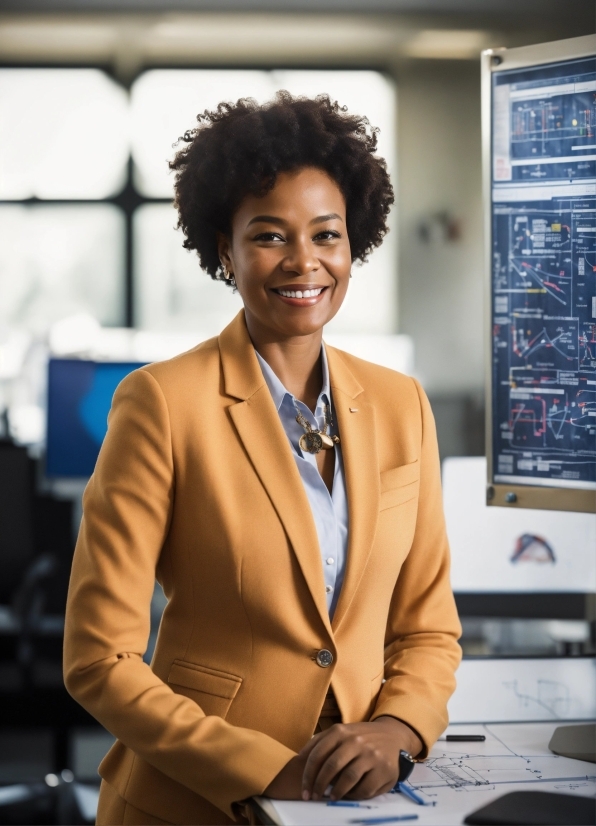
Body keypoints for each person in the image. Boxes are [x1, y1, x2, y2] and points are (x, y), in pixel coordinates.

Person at [63, 92, 461, 826]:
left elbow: (428, 627)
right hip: (192, 802)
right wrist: (267, 770)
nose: (304, 262)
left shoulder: (402, 404)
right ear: (226, 248)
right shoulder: (160, 403)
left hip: (363, 805)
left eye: (327, 235)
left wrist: (400, 730)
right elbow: (98, 659)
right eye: (271, 236)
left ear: (355, 243)